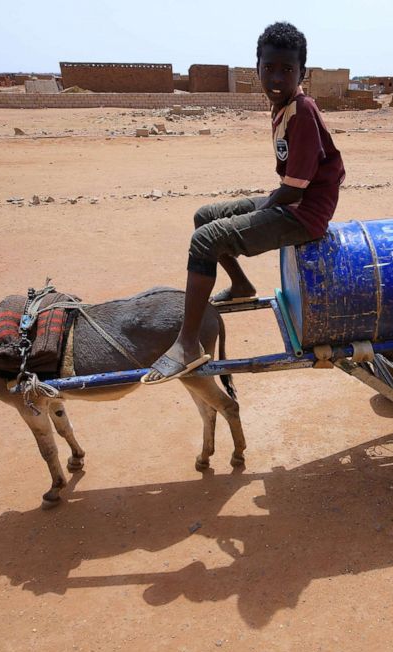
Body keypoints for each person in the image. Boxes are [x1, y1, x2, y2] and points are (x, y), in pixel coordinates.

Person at [144, 21, 345, 383]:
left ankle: (187, 344)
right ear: (257, 69)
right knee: (205, 217)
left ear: (303, 72)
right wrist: (263, 206)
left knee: (205, 240)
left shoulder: (302, 111)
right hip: (292, 201)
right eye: (269, 68)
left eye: (287, 69)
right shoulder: (283, 108)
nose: (277, 77)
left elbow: (295, 190)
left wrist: (263, 209)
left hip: (305, 215)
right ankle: (241, 286)